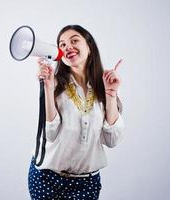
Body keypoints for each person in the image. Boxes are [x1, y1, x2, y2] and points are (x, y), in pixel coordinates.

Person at [28, 25, 124, 200]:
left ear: (89, 46)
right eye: (62, 45)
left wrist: (111, 94)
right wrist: (48, 88)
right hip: (46, 178)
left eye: (74, 40)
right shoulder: (54, 83)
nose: (67, 47)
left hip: (86, 183)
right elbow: (50, 134)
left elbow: (112, 140)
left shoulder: (106, 84)